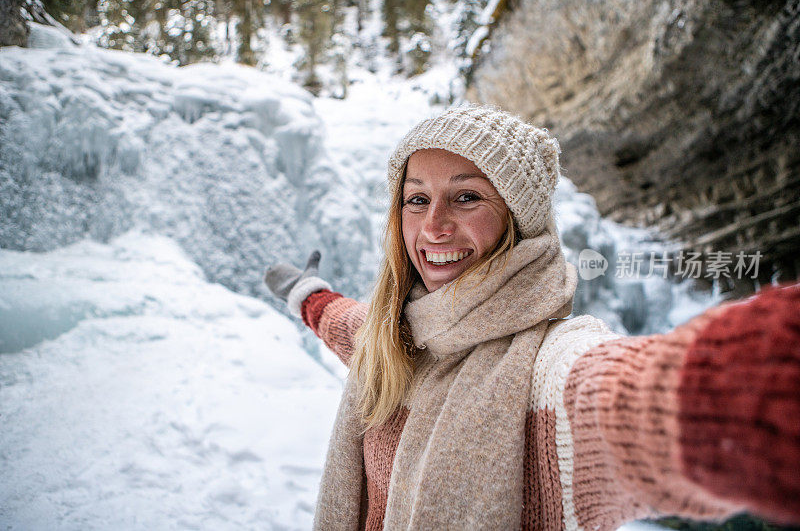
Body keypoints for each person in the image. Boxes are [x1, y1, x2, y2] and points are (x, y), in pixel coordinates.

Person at [264, 103, 800, 531]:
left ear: (519, 221)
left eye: (466, 197)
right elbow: (348, 325)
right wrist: (308, 295)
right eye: (416, 199)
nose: (432, 227)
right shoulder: (396, 338)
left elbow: (683, 393)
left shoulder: (550, 374)